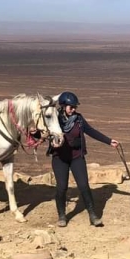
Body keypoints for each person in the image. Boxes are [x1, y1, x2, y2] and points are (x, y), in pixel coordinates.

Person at [49, 91, 119, 227]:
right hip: (60, 158)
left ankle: (93, 215)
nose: (74, 109)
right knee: (62, 187)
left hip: (76, 157)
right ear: (63, 106)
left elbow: (91, 131)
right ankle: (62, 216)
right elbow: (43, 131)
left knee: (84, 186)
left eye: (75, 107)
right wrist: (35, 134)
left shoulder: (79, 119)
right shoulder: (54, 119)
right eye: (71, 107)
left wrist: (109, 141)